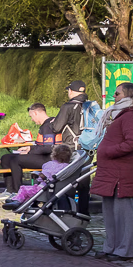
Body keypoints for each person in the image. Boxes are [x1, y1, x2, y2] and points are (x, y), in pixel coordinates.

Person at [94, 81, 133, 262]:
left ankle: (125, 250)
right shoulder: (120, 114)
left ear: (128, 95)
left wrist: (109, 151)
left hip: (122, 171)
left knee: (123, 212)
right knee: (110, 211)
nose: (114, 96)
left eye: (117, 94)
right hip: (111, 170)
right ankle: (111, 246)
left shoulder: (131, 115)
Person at [42, 81, 100, 216]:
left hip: (71, 149)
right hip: (88, 147)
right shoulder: (90, 106)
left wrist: (52, 123)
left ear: (71, 91)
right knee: (84, 181)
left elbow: (56, 127)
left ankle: (68, 212)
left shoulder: (68, 106)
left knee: (69, 181)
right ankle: (84, 213)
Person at [0, 103, 58, 189]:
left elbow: (48, 148)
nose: (32, 120)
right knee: (5, 158)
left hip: (48, 158)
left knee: (15, 160)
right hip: (41, 155)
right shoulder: (45, 125)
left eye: (31, 116)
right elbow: (41, 145)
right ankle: (9, 189)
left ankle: (17, 190)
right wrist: (29, 148)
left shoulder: (48, 126)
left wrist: (29, 151)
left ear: (35, 113)